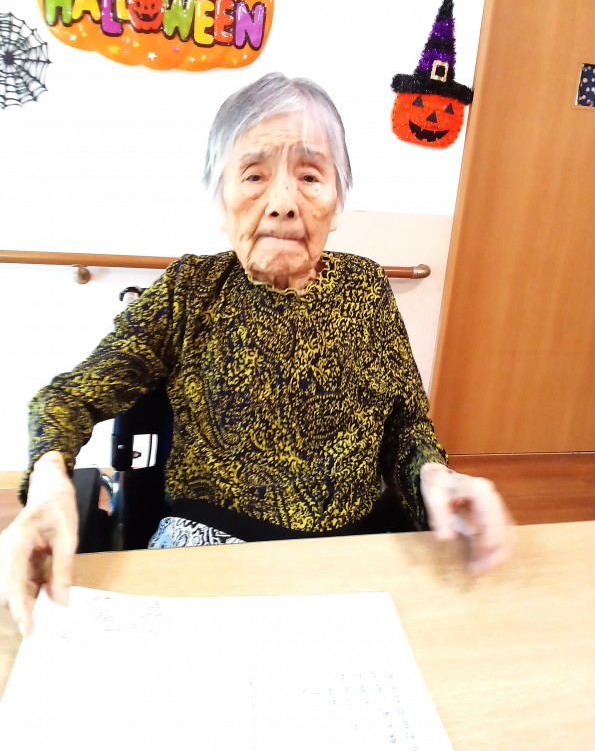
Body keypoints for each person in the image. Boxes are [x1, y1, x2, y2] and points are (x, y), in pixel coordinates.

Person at [0, 73, 511, 636]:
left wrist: (434, 476)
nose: (284, 204)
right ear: (219, 199)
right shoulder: (191, 290)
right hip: (208, 550)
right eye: (254, 175)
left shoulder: (366, 288)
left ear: (337, 199)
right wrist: (47, 483)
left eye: (310, 176)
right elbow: (66, 398)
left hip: (355, 551)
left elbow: (406, 425)